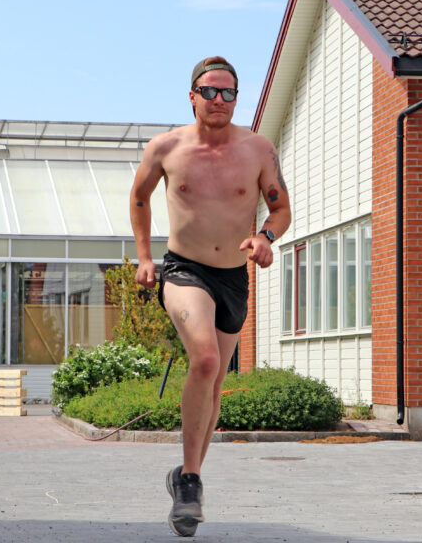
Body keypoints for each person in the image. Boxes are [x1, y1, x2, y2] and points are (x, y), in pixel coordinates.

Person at [129, 56, 291, 537]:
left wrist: (264, 237)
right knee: (204, 360)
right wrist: (144, 257)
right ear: (192, 95)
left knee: (216, 381)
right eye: (210, 91)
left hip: (232, 277)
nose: (219, 99)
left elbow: (281, 210)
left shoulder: (258, 148)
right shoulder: (166, 147)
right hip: (184, 270)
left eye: (229, 92)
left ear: (236, 98)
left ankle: (187, 475)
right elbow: (139, 198)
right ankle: (191, 482)